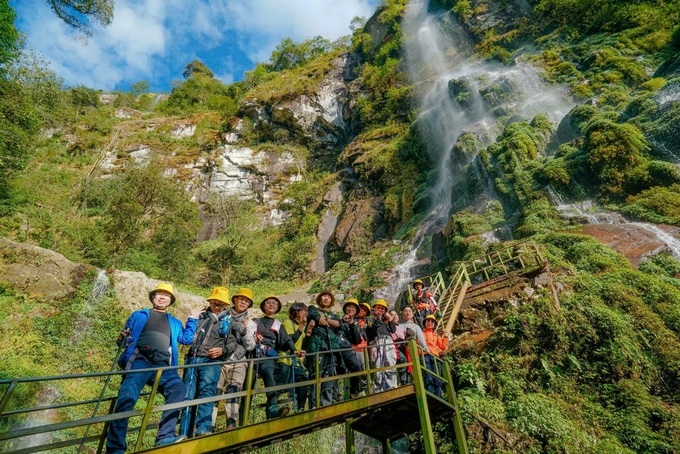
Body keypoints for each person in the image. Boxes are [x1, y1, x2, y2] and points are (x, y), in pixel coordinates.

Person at [106, 283, 202, 453]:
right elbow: (123, 338)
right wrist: (122, 338)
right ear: (153, 297)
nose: (162, 297)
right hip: (139, 362)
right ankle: (115, 448)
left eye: (166, 295)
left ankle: (165, 437)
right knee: (126, 398)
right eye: (159, 294)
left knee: (178, 389)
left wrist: (193, 319)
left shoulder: (174, 322)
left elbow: (186, 340)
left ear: (170, 301)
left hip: (163, 365)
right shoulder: (139, 315)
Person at [179, 287, 235, 438]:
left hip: (211, 361)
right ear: (209, 302)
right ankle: (184, 432)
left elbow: (232, 344)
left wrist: (222, 350)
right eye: (214, 302)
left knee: (207, 393)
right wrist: (192, 317)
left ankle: (203, 428)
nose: (216, 306)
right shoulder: (201, 316)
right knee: (187, 396)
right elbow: (188, 335)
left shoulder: (229, 322)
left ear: (225, 306)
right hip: (193, 359)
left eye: (220, 304)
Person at [255, 295, 305, 419]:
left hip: (268, 357)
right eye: (268, 302)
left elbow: (286, 339)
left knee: (268, 372)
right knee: (247, 386)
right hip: (254, 354)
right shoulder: (256, 321)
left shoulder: (278, 324)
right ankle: (239, 420)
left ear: (277, 308)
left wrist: (295, 351)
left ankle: (272, 409)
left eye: (274, 303)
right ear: (264, 306)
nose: (271, 304)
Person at [216, 288, 257, 430]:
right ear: (235, 300)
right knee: (215, 391)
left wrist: (244, 331)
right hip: (219, 359)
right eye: (241, 299)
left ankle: (231, 423)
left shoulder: (250, 322)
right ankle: (208, 423)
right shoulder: (223, 315)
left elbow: (251, 346)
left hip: (239, 360)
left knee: (234, 391)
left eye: (246, 301)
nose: (243, 302)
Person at [305, 290, 343, 407]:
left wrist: (325, 321)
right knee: (316, 373)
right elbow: (316, 317)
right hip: (317, 345)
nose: (326, 298)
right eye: (324, 296)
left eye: (328, 297)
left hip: (332, 346)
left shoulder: (334, 314)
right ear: (319, 299)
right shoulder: (312, 309)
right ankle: (314, 403)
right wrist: (329, 322)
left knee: (331, 373)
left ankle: (328, 401)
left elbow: (340, 324)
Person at [277, 302, 309, 411]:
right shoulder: (288, 323)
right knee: (281, 386)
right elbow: (289, 342)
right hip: (285, 359)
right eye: (304, 310)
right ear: (297, 311)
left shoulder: (301, 326)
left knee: (304, 380)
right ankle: (274, 411)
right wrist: (301, 327)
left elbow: (301, 343)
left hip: (297, 361)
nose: (306, 313)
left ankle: (300, 408)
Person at [365, 299, 397, 392]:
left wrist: (390, 319)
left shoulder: (385, 321)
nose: (380, 310)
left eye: (383, 309)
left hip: (387, 340)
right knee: (378, 364)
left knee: (390, 361)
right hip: (375, 341)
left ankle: (392, 386)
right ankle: (379, 388)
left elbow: (393, 330)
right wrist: (375, 319)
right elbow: (369, 332)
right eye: (378, 308)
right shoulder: (369, 319)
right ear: (374, 308)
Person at [395, 306, 428, 385]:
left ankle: (412, 383)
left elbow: (421, 340)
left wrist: (425, 348)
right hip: (401, 349)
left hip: (412, 350)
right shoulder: (398, 326)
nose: (408, 312)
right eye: (405, 311)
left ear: (412, 314)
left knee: (412, 366)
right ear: (402, 313)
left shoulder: (416, 326)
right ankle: (403, 382)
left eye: (409, 311)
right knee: (403, 363)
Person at [338, 299, 363, 397]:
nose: (351, 309)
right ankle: (336, 395)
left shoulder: (356, 324)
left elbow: (357, 340)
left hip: (347, 348)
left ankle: (354, 392)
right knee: (335, 370)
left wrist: (352, 324)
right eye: (349, 307)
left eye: (353, 307)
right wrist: (342, 321)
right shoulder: (338, 319)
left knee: (356, 366)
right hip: (336, 347)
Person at [422, 315, 449, 397]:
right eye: (428, 321)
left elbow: (443, 347)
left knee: (437, 377)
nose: (430, 323)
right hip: (425, 355)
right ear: (425, 323)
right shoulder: (421, 333)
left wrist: (446, 336)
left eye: (432, 321)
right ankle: (430, 395)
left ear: (434, 324)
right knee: (428, 376)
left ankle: (438, 395)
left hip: (435, 357)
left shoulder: (436, 335)